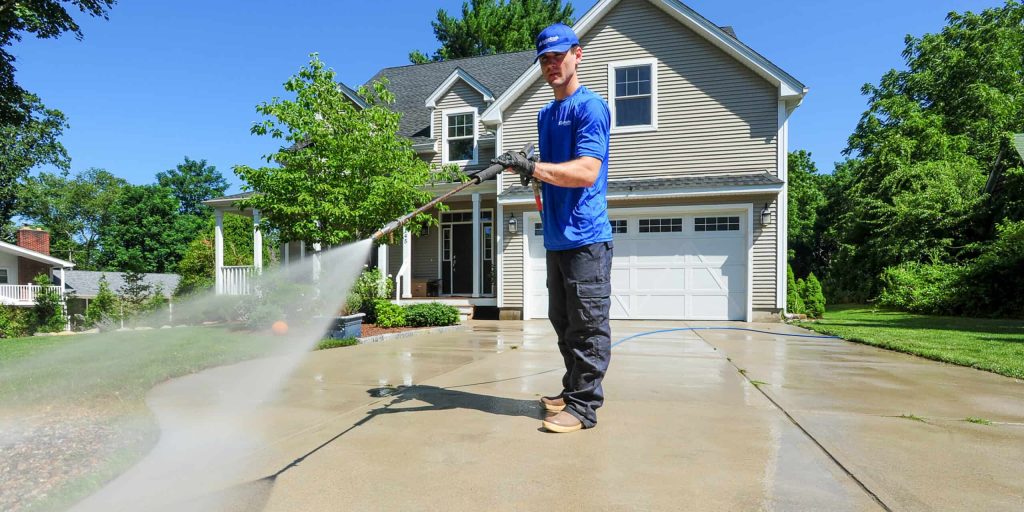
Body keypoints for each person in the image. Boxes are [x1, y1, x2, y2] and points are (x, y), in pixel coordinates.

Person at [493, 23, 612, 434]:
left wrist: (534, 167)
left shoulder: (589, 107)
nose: (551, 65)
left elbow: (585, 171)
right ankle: (571, 390)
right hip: (557, 237)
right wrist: (533, 174)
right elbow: (549, 174)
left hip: (587, 237)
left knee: (588, 325)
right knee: (563, 323)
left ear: (577, 54)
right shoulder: (546, 113)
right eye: (544, 59)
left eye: (558, 56)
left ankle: (583, 408)